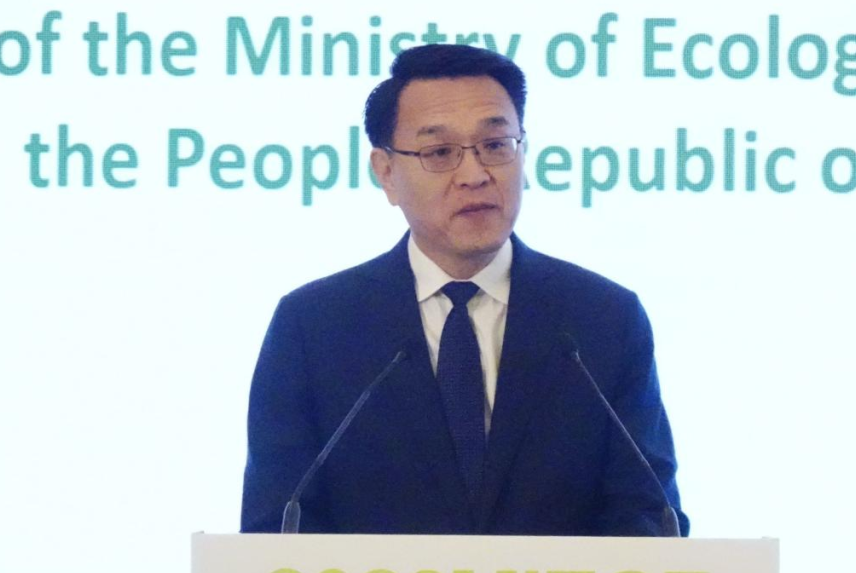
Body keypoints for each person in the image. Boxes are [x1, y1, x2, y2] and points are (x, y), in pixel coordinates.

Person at [241, 44, 688, 536]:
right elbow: (276, 529)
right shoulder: (314, 327)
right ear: (386, 173)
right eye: (440, 153)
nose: (474, 176)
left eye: (495, 146)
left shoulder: (603, 320)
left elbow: (648, 516)